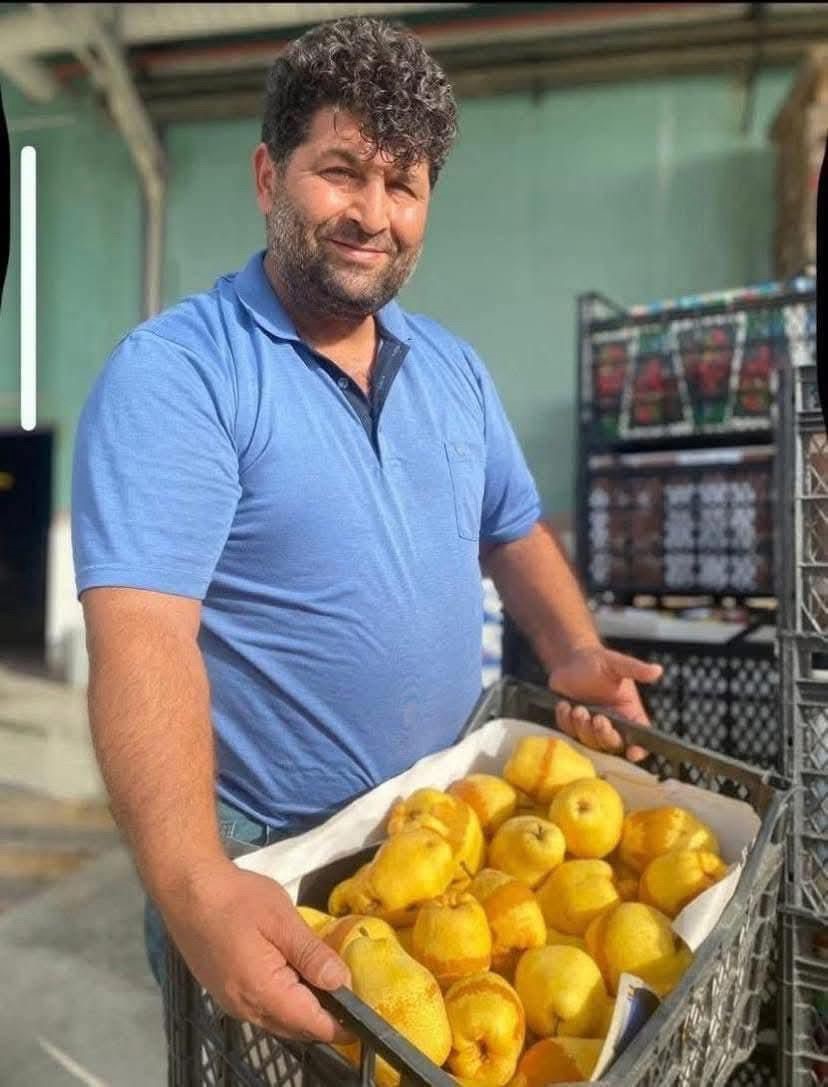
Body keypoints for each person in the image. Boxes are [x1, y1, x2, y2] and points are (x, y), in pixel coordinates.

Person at [71, 16, 662, 1047]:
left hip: (442, 836)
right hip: (272, 863)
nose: (372, 215)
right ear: (267, 175)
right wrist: (192, 879)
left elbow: (513, 527)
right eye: (341, 172)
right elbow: (143, 638)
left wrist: (570, 647)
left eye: (404, 185)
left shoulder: (451, 369)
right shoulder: (182, 374)